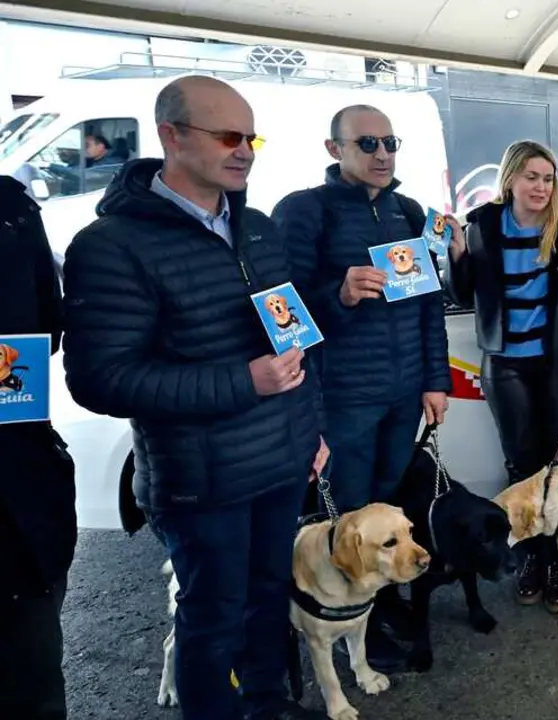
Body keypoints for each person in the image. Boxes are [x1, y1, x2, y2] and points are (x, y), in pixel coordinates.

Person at [60, 75, 330, 720]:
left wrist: (309, 429)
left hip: (279, 460)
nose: (245, 151)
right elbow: (100, 378)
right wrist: (245, 380)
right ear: (171, 136)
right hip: (201, 481)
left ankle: (269, 705)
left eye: (251, 137)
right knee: (213, 617)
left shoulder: (258, 228)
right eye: (228, 136)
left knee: (269, 598)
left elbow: (294, 339)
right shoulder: (111, 246)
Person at [272, 105, 451, 670]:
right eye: (367, 143)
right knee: (344, 520)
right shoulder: (304, 212)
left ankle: (380, 601)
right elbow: (284, 315)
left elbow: (429, 308)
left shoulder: (408, 211)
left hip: (402, 397)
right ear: (335, 149)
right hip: (342, 397)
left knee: (385, 515)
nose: (382, 154)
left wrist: (435, 381)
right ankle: (349, 627)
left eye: (390, 143)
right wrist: (339, 296)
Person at [442, 139, 558, 614]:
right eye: (531, 177)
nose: (541, 186)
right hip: (505, 365)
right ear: (510, 179)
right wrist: (456, 255)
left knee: (557, 471)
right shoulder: (482, 227)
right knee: (520, 468)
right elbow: (464, 294)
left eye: (548, 178)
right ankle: (531, 557)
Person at [0, 175, 75, 720]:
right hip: (21, 484)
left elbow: (46, 330)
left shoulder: (13, 207)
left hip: (21, 487)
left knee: (33, 677)